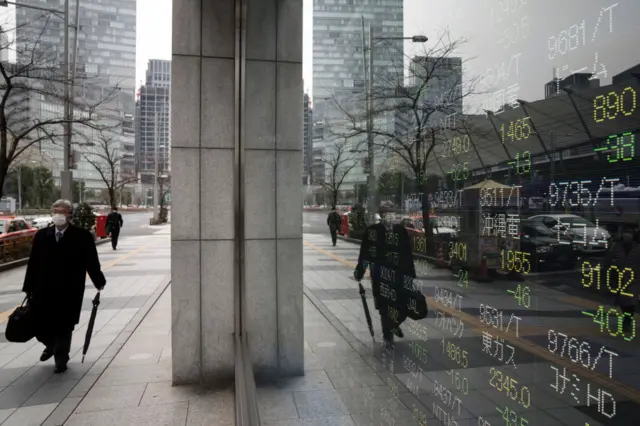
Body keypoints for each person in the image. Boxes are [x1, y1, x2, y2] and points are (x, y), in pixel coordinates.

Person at [22, 199, 106, 373]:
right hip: (43, 289)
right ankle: (51, 345)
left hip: (69, 289)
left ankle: (61, 359)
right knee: (41, 324)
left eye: (62, 211)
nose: (58, 215)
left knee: (64, 325)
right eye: (55, 211)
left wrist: (99, 281)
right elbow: (33, 263)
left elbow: (91, 261)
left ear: (70, 214)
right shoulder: (42, 236)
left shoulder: (81, 236)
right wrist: (28, 287)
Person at [353, 209, 415, 343]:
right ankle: (388, 333)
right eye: (387, 213)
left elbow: (407, 253)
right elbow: (365, 253)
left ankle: (394, 324)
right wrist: (360, 271)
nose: (390, 216)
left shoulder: (400, 231)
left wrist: (410, 274)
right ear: (381, 216)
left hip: (398, 274)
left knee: (401, 303)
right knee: (384, 305)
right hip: (379, 274)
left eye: (392, 213)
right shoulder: (372, 231)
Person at [604, 226, 640, 333]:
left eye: (629, 233)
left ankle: (627, 320)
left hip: (634, 279)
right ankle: (626, 317)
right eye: (625, 233)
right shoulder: (616, 247)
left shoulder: (637, 248)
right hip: (618, 278)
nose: (627, 235)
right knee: (623, 302)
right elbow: (608, 261)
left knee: (631, 301)